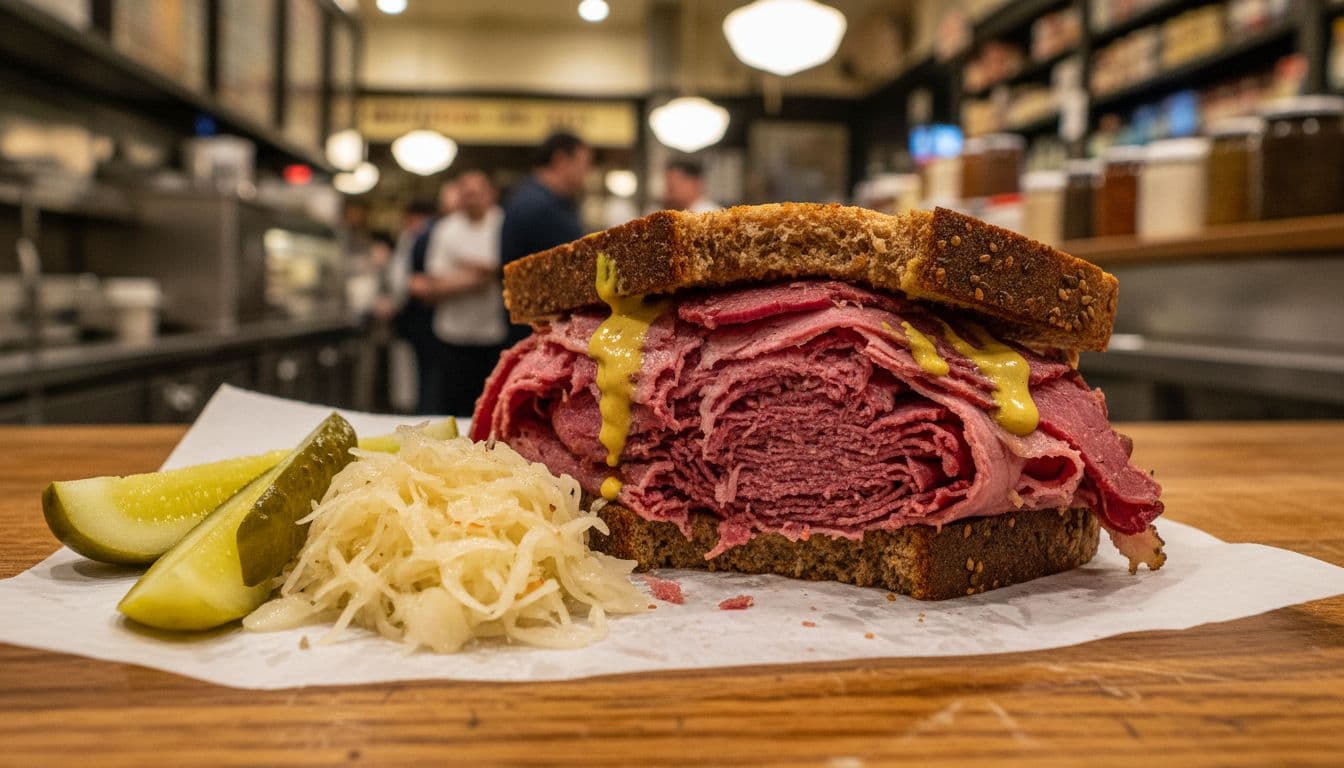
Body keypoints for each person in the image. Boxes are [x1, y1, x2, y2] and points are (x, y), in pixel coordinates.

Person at [406, 170, 506, 416]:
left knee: (489, 412)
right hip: (451, 336)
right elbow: (434, 284)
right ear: (460, 195)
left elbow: (511, 269)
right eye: (467, 193)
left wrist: (468, 273)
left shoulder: (505, 224)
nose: (473, 198)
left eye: (478, 192)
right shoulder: (445, 230)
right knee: (453, 409)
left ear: (491, 194)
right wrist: (481, 277)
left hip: (494, 336)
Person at [499, 131, 592, 343]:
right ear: (561, 160)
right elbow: (575, 275)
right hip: (540, 333)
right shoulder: (539, 207)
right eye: (584, 164)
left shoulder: (534, 198)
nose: (586, 173)